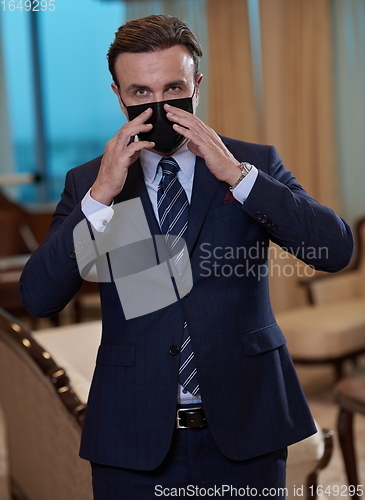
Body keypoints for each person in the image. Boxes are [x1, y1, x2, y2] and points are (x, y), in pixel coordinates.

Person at [19, 14, 354, 499]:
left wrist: (238, 177)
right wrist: (99, 200)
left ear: (197, 85)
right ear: (118, 94)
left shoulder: (253, 163)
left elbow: (335, 250)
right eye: (140, 94)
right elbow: (39, 297)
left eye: (173, 88)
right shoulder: (89, 182)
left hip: (247, 425)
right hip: (132, 436)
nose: (158, 107)